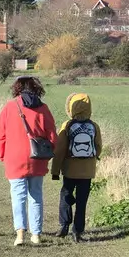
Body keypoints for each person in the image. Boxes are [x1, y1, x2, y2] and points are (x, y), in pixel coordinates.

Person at [0, 76, 56, 246]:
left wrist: (3, 154)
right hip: (37, 159)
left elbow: (0, 135)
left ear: (18, 88)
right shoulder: (43, 108)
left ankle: (20, 234)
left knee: (18, 196)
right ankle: (35, 234)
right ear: (37, 88)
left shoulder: (10, 107)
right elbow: (52, 135)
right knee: (36, 195)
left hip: (14, 158)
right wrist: (49, 154)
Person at [51, 92, 102, 242]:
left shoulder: (67, 125)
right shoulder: (94, 126)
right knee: (82, 201)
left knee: (65, 195)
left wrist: (55, 170)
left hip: (69, 170)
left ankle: (64, 225)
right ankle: (77, 232)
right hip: (87, 172)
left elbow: (59, 150)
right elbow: (98, 147)